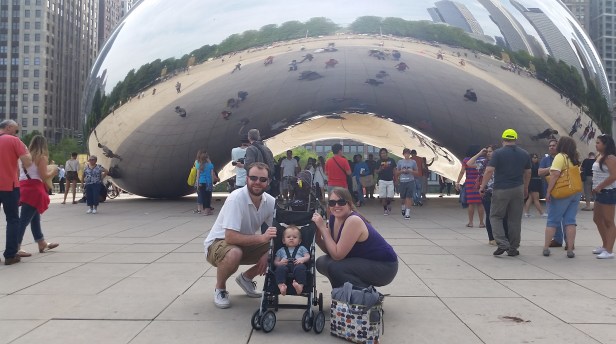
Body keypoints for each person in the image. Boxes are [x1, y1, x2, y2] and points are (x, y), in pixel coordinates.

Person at [204, 162, 277, 309]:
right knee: (234, 253)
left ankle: (246, 278)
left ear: (268, 182)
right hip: (218, 244)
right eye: (253, 178)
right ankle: (220, 289)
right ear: (246, 179)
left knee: (281, 249)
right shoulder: (236, 199)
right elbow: (230, 237)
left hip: (244, 243)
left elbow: (279, 230)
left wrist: (269, 252)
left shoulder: (270, 201)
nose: (257, 182)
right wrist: (262, 239)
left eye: (262, 179)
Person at [311, 187, 398, 288]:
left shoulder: (353, 221)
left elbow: (337, 255)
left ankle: (366, 294)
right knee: (322, 263)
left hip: (385, 267)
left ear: (349, 203)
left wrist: (323, 228)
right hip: (363, 262)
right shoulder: (333, 218)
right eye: (332, 203)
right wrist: (318, 240)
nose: (336, 206)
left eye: (341, 202)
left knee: (335, 267)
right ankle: (343, 293)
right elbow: (331, 250)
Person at [479, 129, 531, 257]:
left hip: (501, 188)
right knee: (514, 219)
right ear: (515, 139)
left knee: (496, 216)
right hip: (518, 188)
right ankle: (513, 248)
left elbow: (489, 170)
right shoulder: (524, 153)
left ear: (503, 140)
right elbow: (528, 172)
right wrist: (525, 188)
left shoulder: (498, 154)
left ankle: (502, 243)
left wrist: (482, 186)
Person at [16, 135, 59, 257]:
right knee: (23, 220)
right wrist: (54, 171)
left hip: (24, 187)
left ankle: (41, 242)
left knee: (34, 218)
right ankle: (16, 246)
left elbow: (19, 173)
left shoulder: (24, 158)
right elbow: (44, 176)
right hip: (34, 189)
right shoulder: (42, 157)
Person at [542, 136, 581, 258]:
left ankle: (546, 248)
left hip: (562, 192)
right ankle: (570, 249)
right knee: (570, 221)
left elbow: (554, 175)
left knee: (552, 220)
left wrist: (548, 192)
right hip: (575, 192)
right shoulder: (574, 158)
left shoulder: (560, 157)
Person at [1, 119, 32, 265]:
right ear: (8, 127)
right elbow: (28, 162)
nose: (16, 133)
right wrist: (25, 150)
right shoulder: (13, 140)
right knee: (12, 219)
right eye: (16, 130)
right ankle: (10, 255)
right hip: (9, 185)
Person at [467, 145, 501, 246]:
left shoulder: (500, 162)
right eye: (488, 152)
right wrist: (479, 153)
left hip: (500, 191)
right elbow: (469, 163)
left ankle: (500, 236)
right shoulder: (483, 162)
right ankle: (491, 238)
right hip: (487, 191)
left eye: (491, 151)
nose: (488, 153)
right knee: (490, 214)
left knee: (499, 215)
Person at [591, 135, 616, 259]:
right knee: (597, 218)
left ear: (606, 144)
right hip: (599, 192)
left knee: (609, 221)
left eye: (598, 142)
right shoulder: (599, 156)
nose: (596, 144)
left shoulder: (610, 158)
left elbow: (613, 176)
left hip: (608, 192)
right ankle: (605, 245)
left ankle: (609, 250)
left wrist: (600, 186)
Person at [539, 139, 565, 248]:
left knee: (566, 218)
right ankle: (558, 239)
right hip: (550, 191)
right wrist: (552, 168)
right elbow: (540, 172)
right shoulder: (545, 160)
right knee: (553, 217)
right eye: (550, 146)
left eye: (554, 145)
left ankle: (569, 241)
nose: (551, 147)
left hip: (563, 191)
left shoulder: (564, 158)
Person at [274, 225, 310, 295]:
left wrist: (303, 259)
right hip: (284, 265)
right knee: (279, 269)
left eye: (294, 237)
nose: (291, 238)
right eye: (288, 237)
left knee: (301, 268)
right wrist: (280, 263)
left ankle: (300, 286)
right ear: (284, 241)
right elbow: (275, 262)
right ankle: (281, 287)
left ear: (299, 241)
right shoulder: (281, 250)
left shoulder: (302, 248)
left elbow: (308, 257)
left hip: (298, 264)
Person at [456, 146, 485, 228]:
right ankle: (481, 223)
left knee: (471, 204)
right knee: (480, 203)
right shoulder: (482, 160)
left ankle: (471, 222)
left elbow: (462, 172)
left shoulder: (466, 160)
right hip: (480, 183)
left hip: (469, 183)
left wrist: (458, 182)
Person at [396, 148, 418, 220]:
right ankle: (403, 207)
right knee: (403, 198)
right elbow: (397, 172)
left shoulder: (413, 162)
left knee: (409, 197)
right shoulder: (400, 162)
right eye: (405, 153)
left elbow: (417, 172)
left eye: (408, 153)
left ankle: (407, 213)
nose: (407, 155)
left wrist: (411, 171)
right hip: (402, 181)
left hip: (410, 181)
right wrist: (402, 171)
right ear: (403, 154)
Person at [376, 148, 396, 216]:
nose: (383, 154)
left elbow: (394, 170)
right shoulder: (379, 161)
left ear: (386, 153)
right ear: (380, 154)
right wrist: (380, 169)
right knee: (383, 196)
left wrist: (396, 179)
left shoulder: (392, 160)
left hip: (390, 180)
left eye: (384, 153)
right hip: (382, 180)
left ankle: (389, 203)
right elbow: (376, 171)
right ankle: (385, 209)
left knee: (390, 196)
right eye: (381, 153)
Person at [196, 151, 215, 215]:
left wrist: (197, 184)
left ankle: (205, 210)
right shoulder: (210, 165)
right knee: (208, 196)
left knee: (203, 197)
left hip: (201, 182)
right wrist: (212, 183)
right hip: (208, 182)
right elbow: (212, 175)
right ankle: (207, 210)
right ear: (207, 158)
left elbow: (198, 176)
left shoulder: (199, 165)